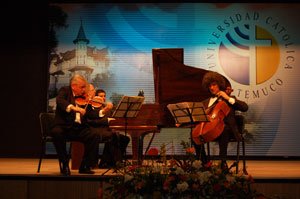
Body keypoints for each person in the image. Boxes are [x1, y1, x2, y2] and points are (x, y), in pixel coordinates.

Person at [194, 71, 248, 170]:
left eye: (214, 85)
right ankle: (204, 162)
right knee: (194, 134)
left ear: (219, 85)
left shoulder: (229, 99)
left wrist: (227, 98)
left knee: (224, 129)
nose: (211, 88)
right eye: (209, 86)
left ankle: (222, 162)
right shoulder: (204, 102)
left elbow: (245, 107)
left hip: (228, 132)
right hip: (210, 130)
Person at [51, 74, 99, 175]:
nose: (83, 90)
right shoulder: (65, 90)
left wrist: (104, 110)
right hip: (63, 126)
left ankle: (85, 165)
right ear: (73, 86)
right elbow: (60, 101)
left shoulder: (84, 97)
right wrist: (74, 108)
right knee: (56, 133)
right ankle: (64, 164)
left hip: (77, 128)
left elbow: (90, 114)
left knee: (94, 135)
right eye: (82, 87)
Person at [85, 86, 130, 168]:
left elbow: (114, 118)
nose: (103, 98)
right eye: (100, 96)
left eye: (104, 96)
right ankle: (105, 163)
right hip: (96, 130)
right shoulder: (93, 108)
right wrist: (107, 120)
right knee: (112, 136)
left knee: (125, 138)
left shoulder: (108, 109)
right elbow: (92, 121)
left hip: (106, 130)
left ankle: (114, 161)